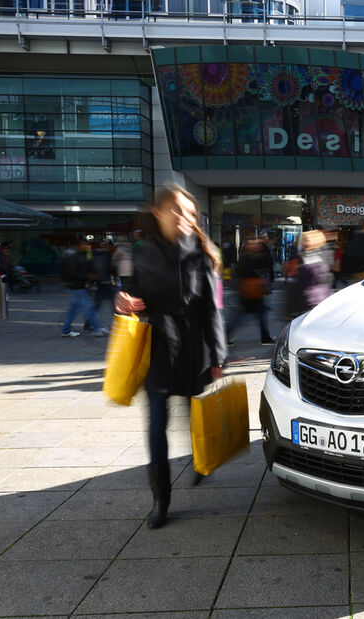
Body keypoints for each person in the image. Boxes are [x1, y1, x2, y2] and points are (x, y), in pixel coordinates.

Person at [114, 185, 226, 529]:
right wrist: (123, 302)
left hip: (193, 347)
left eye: (190, 212)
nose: (184, 217)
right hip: (158, 347)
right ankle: (161, 499)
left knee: (193, 412)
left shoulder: (200, 255)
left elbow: (211, 309)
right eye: (177, 210)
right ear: (159, 213)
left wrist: (219, 353)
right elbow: (127, 295)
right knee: (157, 424)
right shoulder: (141, 251)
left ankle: (199, 460)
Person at [226, 236, 273, 345]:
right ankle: (265, 337)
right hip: (250, 290)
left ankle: (265, 337)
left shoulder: (246, 256)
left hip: (251, 290)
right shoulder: (248, 257)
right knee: (251, 315)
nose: (255, 245)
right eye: (252, 243)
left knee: (250, 315)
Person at [60, 239, 107, 337]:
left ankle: (65, 330)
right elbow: (71, 273)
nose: (87, 246)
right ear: (78, 245)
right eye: (84, 244)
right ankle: (98, 328)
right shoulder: (73, 257)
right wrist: (87, 276)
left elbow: (88, 266)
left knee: (73, 310)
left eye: (87, 244)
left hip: (78, 286)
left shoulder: (83, 255)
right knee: (89, 308)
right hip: (76, 286)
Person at [288, 230, 331, 319]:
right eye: (304, 240)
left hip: (312, 302)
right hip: (309, 301)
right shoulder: (304, 256)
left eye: (306, 240)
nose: (303, 243)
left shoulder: (316, 257)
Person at [91, 239, 115, 320]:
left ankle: (89, 323)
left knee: (99, 304)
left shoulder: (106, 254)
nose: (105, 246)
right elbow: (99, 267)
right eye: (103, 244)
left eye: (105, 244)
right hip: (103, 282)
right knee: (100, 304)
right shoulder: (100, 254)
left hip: (105, 281)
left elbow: (109, 267)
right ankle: (89, 323)